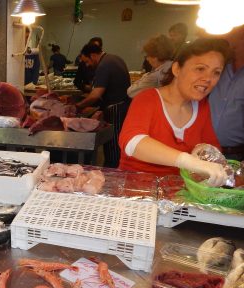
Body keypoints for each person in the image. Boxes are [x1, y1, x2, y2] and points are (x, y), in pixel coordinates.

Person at [118, 38, 230, 186]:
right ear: (176, 69)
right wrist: (186, 160)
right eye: (200, 69)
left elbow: (212, 145)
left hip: (178, 195)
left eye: (216, 73)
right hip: (136, 190)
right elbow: (132, 142)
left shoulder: (202, 106)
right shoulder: (147, 99)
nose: (208, 79)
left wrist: (204, 150)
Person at [76, 43, 131, 167]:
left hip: (115, 109)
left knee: (113, 145)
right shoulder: (115, 58)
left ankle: (113, 171)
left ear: (93, 55)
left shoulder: (104, 65)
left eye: (87, 61)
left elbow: (96, 94)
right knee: (117, 143)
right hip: (123, 105)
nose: (87, 65)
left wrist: (78, 106)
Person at [209, 25, 244, 161]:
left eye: (235, 39)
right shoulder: (219, 67)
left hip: (235, 154)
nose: (231, 44)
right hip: (204, 147)